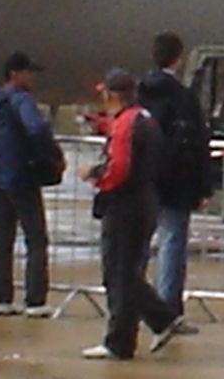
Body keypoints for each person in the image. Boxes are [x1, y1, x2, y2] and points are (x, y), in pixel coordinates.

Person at [83, 69, 182, 360]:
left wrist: (94, 175)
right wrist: (103, 126)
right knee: (125, 273)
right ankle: (155, 323)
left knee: (118, 274)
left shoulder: (127, 123)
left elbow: (120, 169)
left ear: (113, 95)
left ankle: (125, 339)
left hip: (126, 205)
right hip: (145, 201)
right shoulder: (143, 118)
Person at [138, 31, 210, 332]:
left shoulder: (139, 92)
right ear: (178, 59)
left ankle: (132, 303)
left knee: (137, 247)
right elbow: (197, 142)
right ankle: (166, 312)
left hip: (142, 181)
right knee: (171, 245)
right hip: (175, 182)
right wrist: (202, 186)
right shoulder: (183, 97)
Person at [0, 50, 62, 317]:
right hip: (23, 176)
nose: (32, 77)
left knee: (3, 240)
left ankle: (3, 298)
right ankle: (35, 299)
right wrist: (52, 155)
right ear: (15, 74)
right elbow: (36, 129)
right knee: (36, 238)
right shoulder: (21, 100)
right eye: (29, 72)